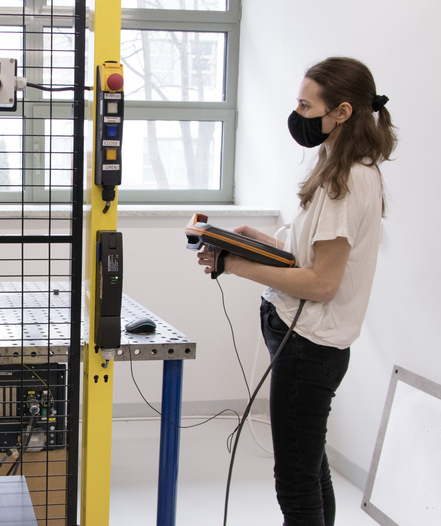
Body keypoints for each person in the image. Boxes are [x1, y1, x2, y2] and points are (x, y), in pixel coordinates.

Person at [196, 57, 397, 526]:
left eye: (307, 106)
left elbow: (323, 284)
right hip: (300, 335)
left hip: (310, 347)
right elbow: (311, 252)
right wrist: (259, 242)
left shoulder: (348, 181)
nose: (299, 115)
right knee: (311, 468)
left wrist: (237, 264)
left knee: (295, 479)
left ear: (342, 112)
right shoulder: (339, 163)